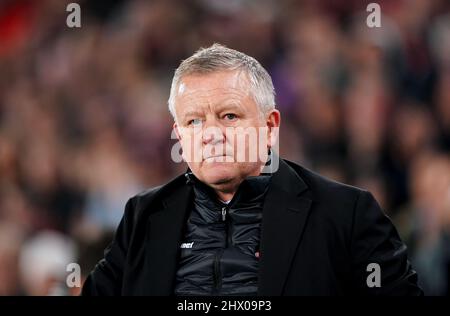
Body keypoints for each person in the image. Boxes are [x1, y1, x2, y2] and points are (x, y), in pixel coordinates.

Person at [81, 44, 422, 296]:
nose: (212, 134)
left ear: (271, 126)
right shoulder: (144, 217)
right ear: (179, 136)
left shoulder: (346, 215)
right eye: (194, 121)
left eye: (229, 116)